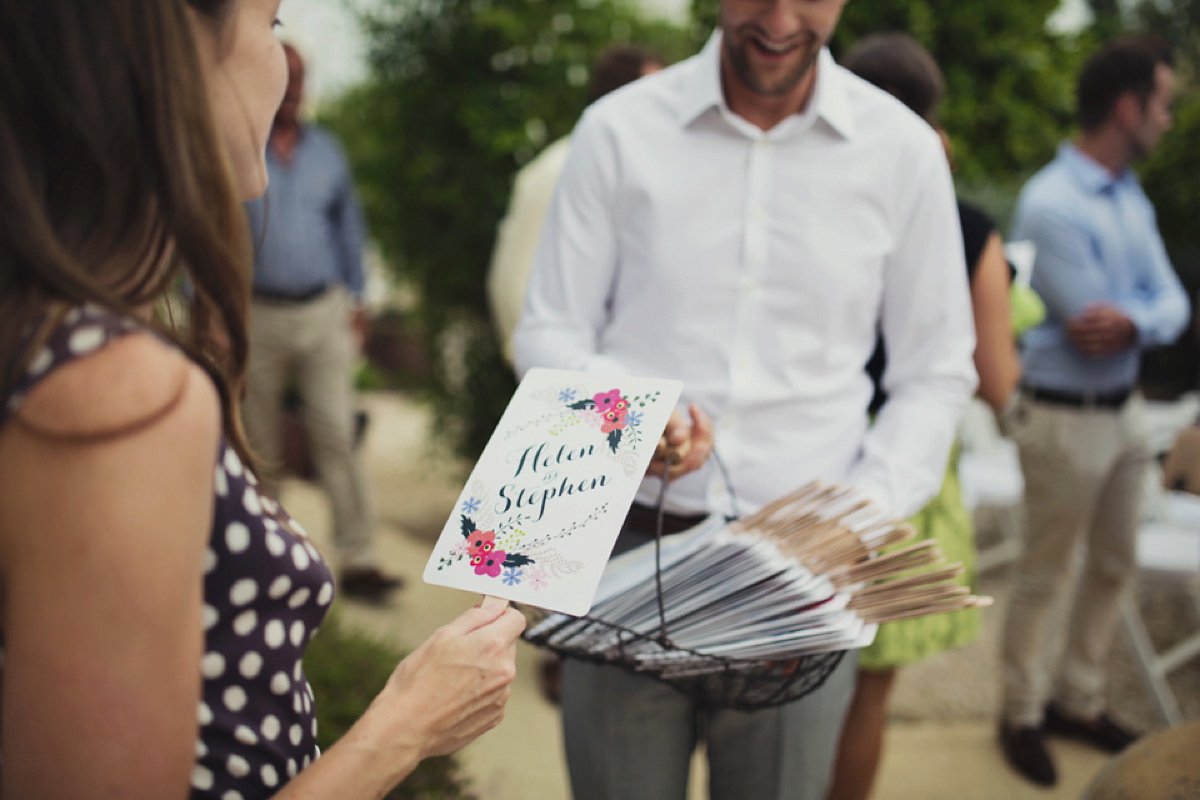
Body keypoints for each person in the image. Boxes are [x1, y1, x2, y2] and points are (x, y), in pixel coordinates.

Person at [0, 2, 525, 798]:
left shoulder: (50, 334)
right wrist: (408, 724)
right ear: (173, 46)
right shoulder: (117, 396)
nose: (280, 68)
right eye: (272, 21)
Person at [512, 0, 978, 797]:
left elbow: (936, 373)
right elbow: (547, 330)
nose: (779, 16)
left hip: (805, 583)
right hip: (625, 548)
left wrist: (853, 522)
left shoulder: (902, 150)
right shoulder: (617, 129)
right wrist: (630, 414)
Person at [828, 32, 1025, 800]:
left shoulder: (817, 203)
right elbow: (996, 378)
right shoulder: (965, 223)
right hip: (908, 481)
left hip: (809, 470)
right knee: (867, 697)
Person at [997, 35, 1189, 787]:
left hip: (1125, 414)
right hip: (1064, 416)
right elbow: (1088, 322)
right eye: (1164, 104)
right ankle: (1019, 712)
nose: (1168, 120)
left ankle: (1077, 699)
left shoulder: (1130, 195)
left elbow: (1168, 302)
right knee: (1045, 572)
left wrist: (1142, 321)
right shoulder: (1053, 201)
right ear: (1128, 105)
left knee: (1115, 565)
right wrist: (1150, 318)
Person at [242, 43, 402, 603]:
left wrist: (358, 301)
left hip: (323, 309)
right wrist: (205, 307)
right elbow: (210, 223)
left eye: (300, 79)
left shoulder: (327, 151)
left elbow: (349, 228)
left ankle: (358, 559)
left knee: (336, 431)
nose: (291, 89)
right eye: (284, 77)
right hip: (254, 312)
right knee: (258, 441)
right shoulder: (237, 145)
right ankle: (263, 560)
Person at [487, 45, 664, 364]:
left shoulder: (650, 172)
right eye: (653, 92)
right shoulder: (559, 169)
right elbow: (513, 284)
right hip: (582, 392)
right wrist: (554, 376)